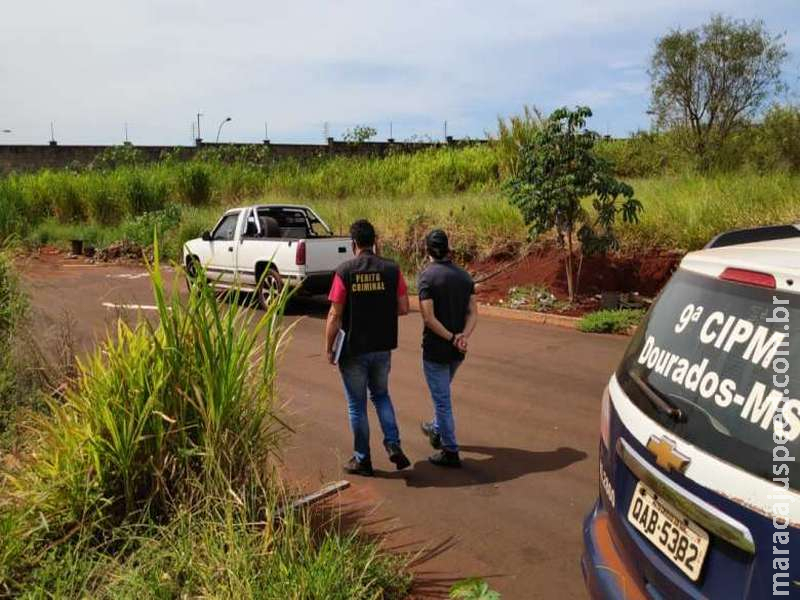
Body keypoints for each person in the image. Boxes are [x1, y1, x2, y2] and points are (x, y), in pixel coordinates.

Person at [324, 219, 411, 476]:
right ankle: (393, 443)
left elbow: (334, 314)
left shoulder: (345, 271)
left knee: (357, 405)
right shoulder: (392, 269)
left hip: (353, 350)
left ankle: (363, 459)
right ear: (375, 241)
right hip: (382, 347)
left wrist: (328, 348)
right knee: (381, 395)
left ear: (353, 243)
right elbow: (404, 307)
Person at [417, 229, 477, 468]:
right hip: (457, 351)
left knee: (442, 400)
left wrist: (452, 338)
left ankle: (450, 450)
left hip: (436, 350)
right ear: (448, 248)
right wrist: (463, 337)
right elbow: (473, 313)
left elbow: (429, 318)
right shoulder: (464, 277)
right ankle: (436, 426)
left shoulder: (427, 277)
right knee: (442, 394)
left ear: (428, 250)